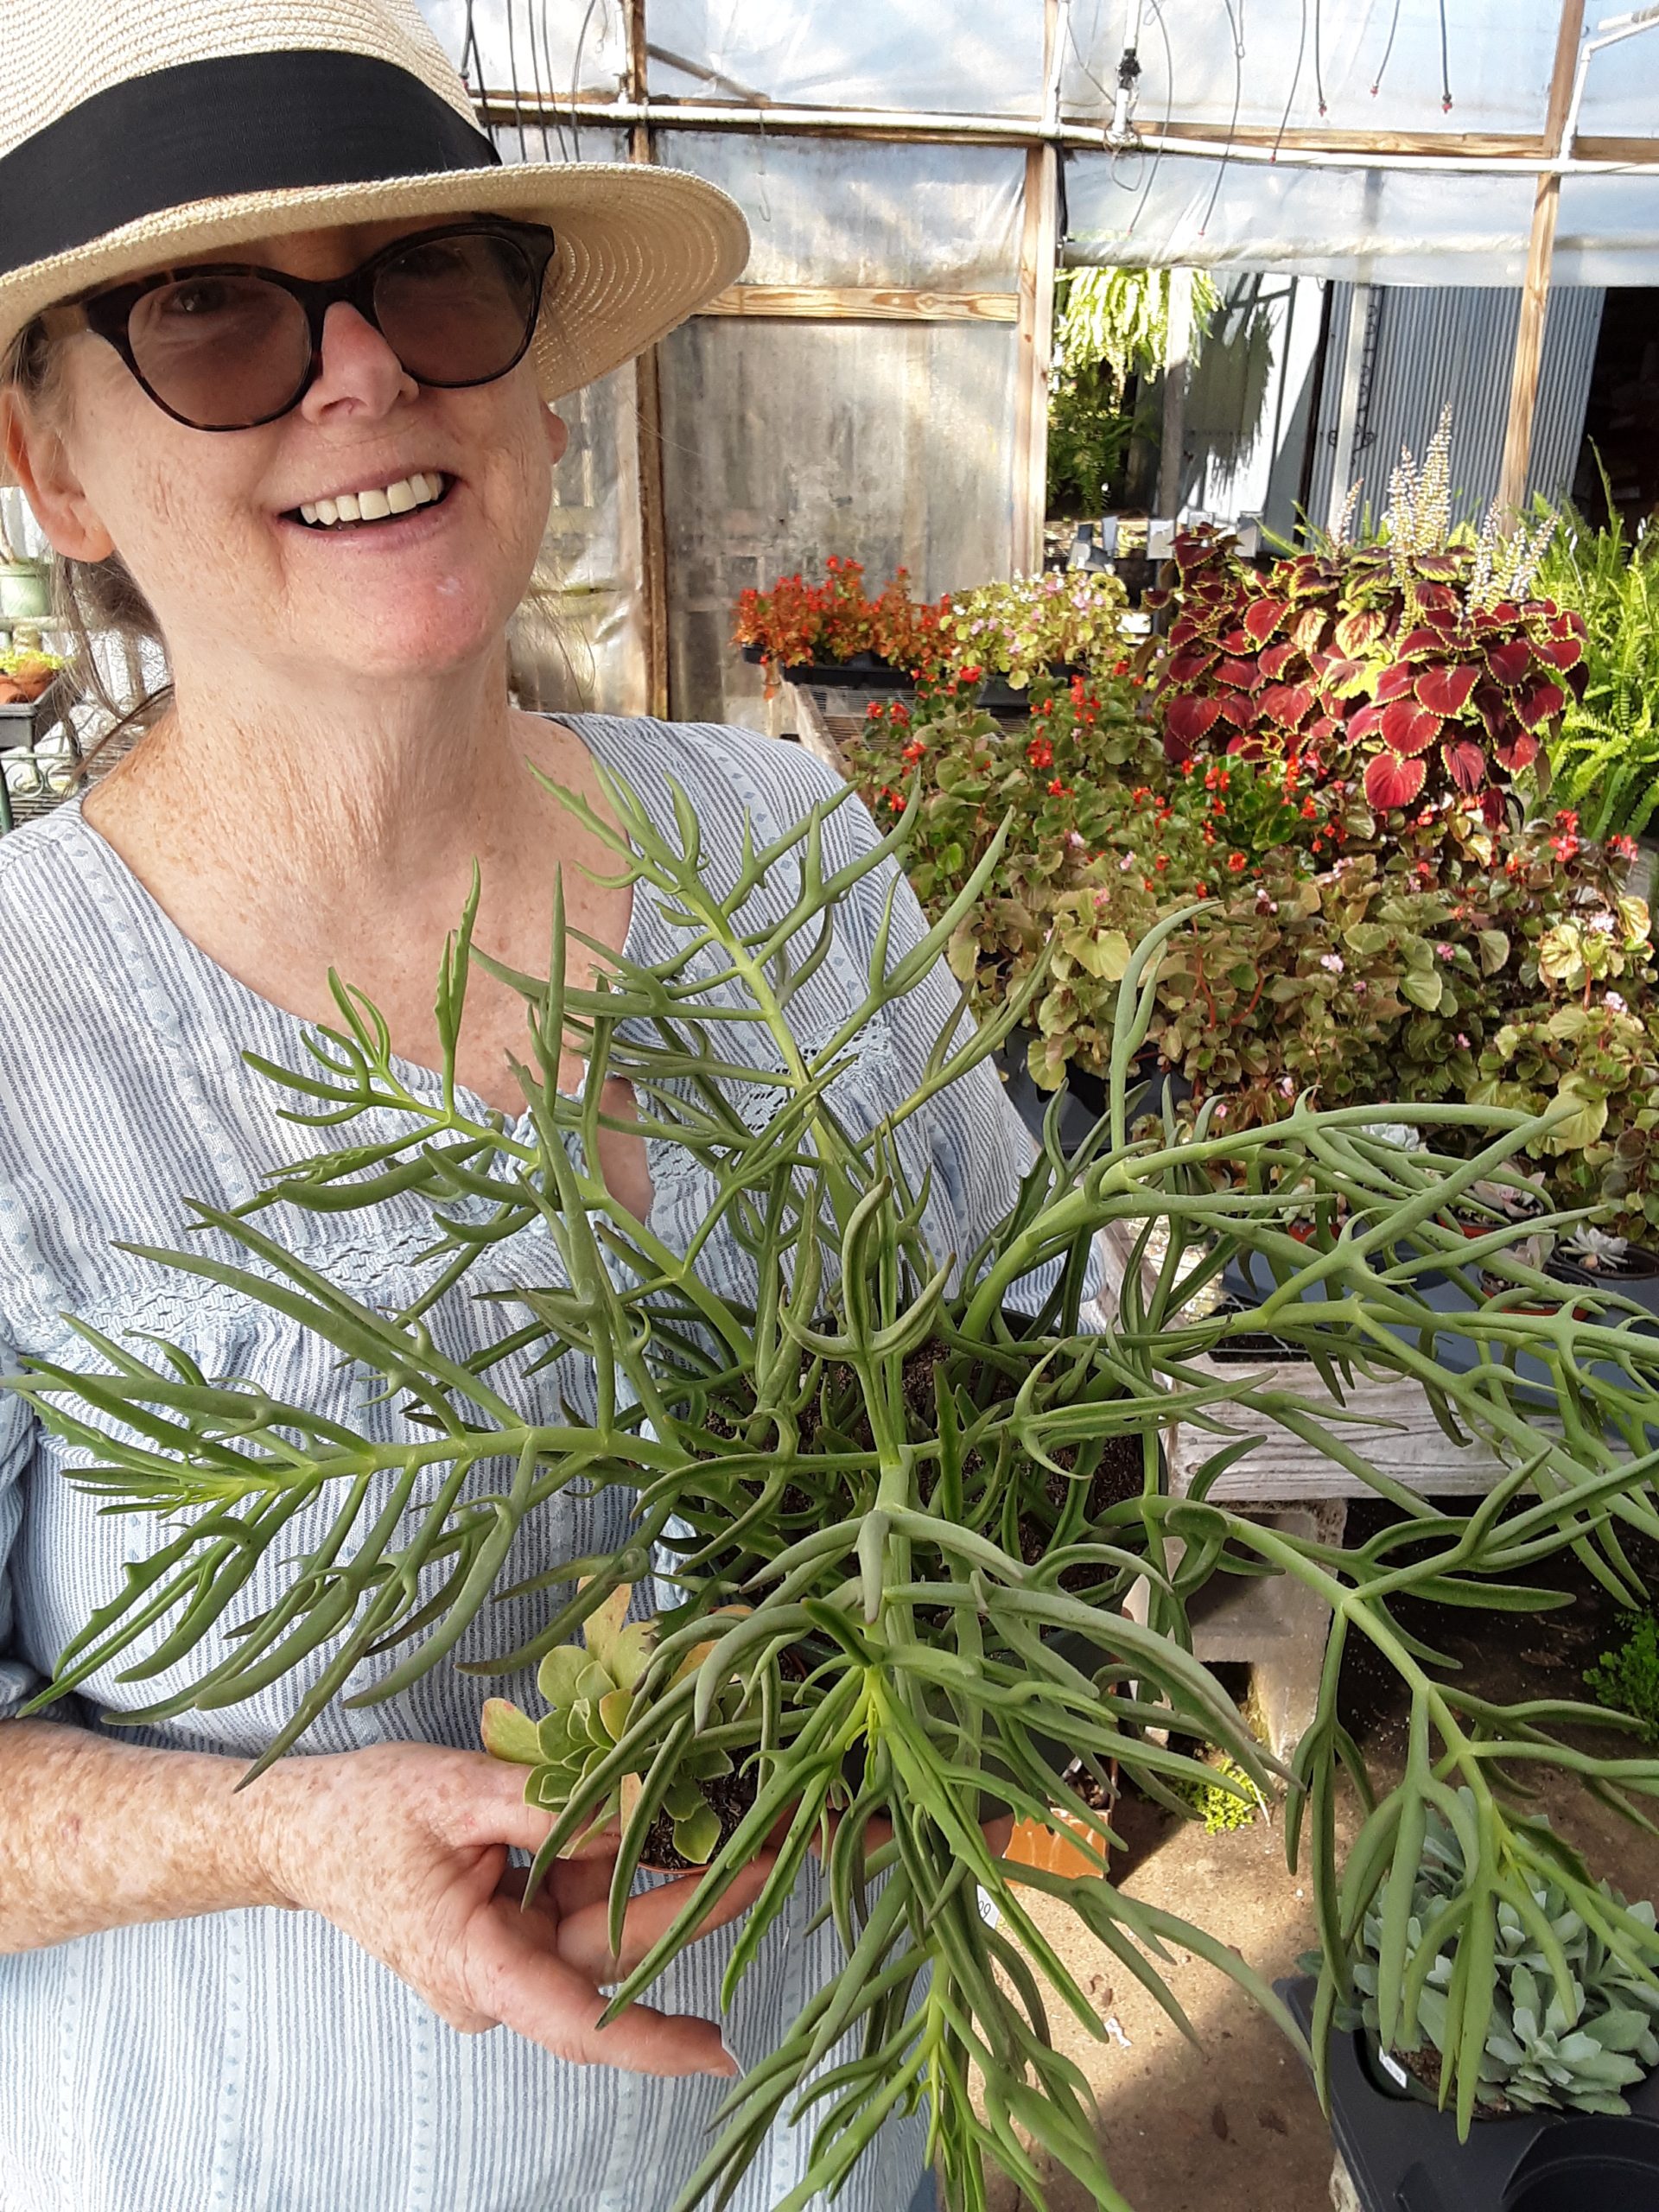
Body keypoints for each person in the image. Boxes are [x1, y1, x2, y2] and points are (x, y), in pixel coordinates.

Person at [0, 6, 1044, 2209]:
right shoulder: (23, 1025)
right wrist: (266, 1829)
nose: (363, 373)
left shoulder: (781, 839)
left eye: (435, 281)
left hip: (842, 2148)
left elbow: (1013, 1389)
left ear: (529, 363)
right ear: (58, 468)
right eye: (213, 318)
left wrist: (1005, 1628)